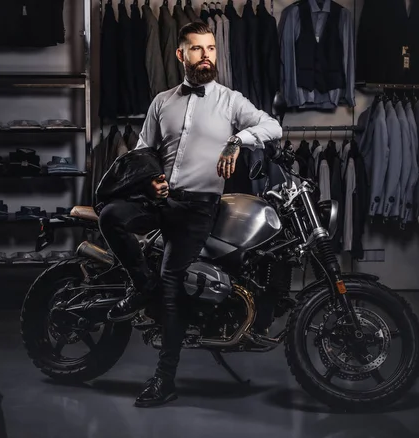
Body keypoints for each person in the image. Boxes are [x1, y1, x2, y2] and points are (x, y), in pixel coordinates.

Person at [98, 21, 283, 408]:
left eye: (211, 49)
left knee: (172, 283)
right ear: (181, 55)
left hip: (199, 206)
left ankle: (164, 379)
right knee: (112, 215)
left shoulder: (231, 101)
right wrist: (151, 182)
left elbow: (272, 126)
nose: (206, 56)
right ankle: (141, 286)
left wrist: (237, 140)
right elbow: (143, 150)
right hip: (159, 199)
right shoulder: (162, 101)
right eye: (197, 49)